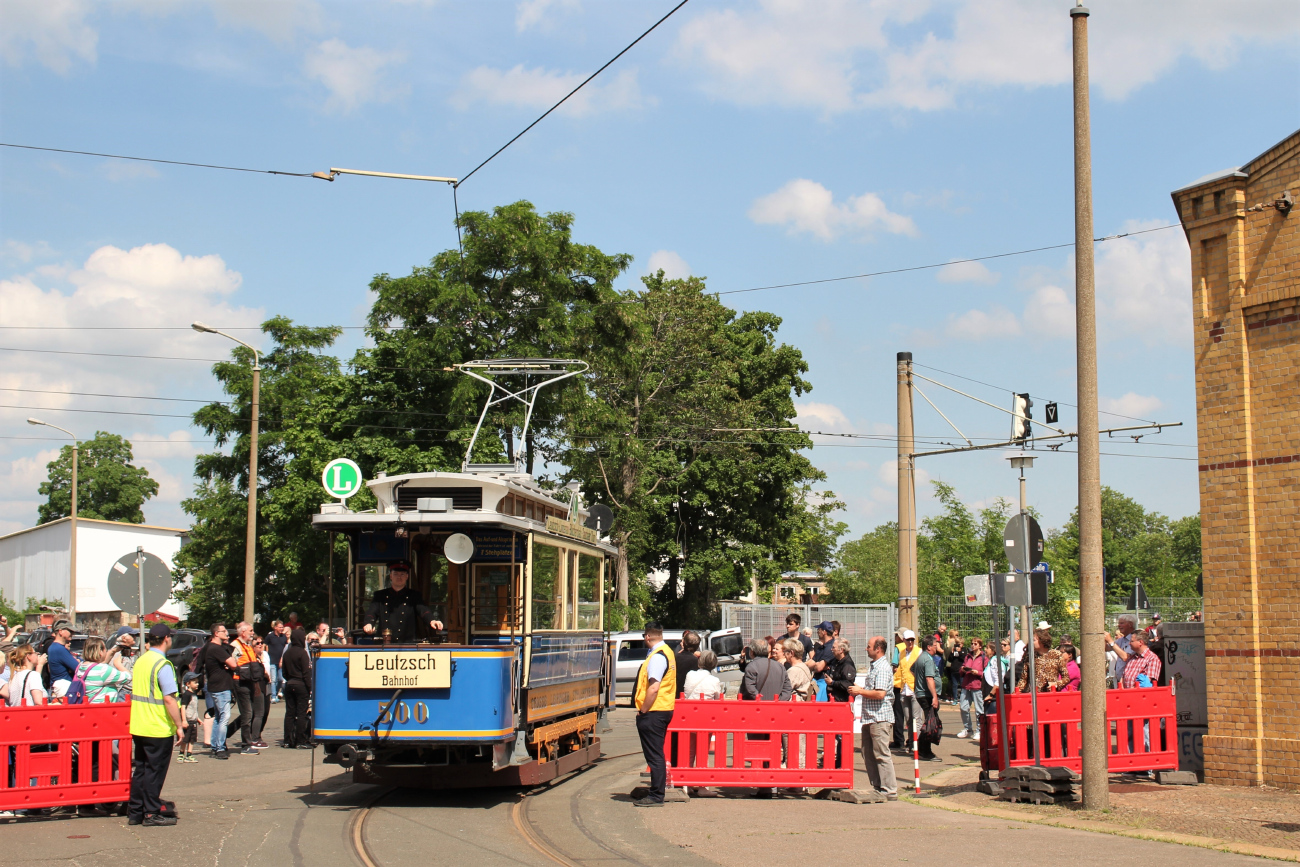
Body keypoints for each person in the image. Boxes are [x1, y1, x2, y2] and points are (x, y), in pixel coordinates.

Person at [127, 623, 185, 827]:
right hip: (158, 725)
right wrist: (179, 725)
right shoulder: (163, 664)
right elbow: (169, 699)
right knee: (154, 771)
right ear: (167, 639)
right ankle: (151, 812)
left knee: (141, 770)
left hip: (139, 723)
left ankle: (135, 812)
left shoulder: (142, 661)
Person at [633, 622, 675, 807]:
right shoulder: (667, 652)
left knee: (655, 755)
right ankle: (656, 793)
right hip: (663, 708)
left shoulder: (658, 657)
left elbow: (654, 687)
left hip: (654, 711)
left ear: (647, 637)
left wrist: (643, 710)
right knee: (656, 754)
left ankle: (656, 795)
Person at [849, 636, 897, 800]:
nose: (866, 649)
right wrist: (862, 689)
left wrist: (860, 692)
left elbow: (880, 693)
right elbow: (875, 690)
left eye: (868, 646)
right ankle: (878, 786)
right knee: (867, 752)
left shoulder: (882, 667)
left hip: (879, 718)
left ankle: (889, 789)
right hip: (870, 717)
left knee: (881, 753)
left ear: (878, 649)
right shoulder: (875, 666)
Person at [362, 560, 444, 642]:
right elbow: (371, 612)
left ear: (407, 576)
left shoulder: (414, 595)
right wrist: (368, 623)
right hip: (384, 642)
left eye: (402, 574)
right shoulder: (380, 595)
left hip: (407, 643)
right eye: (396, 574)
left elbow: (423, 610)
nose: (399, 577)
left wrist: (432, 620)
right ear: (391, 576)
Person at [229, 622, 267, 754]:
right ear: (243, 632)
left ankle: (247, 741)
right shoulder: (235, 646)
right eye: (250, 631)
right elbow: (231, 664)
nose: (252, 633)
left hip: (250, 683)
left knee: (249, 713)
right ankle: (246, 744)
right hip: (240, 683)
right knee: (247, 713)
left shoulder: (248, 646)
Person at [201, 624, 237, 759]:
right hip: (221, 686)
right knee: (224, 717)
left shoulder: (209, 647)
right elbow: (233, 664)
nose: (226, 634)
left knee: (218, 716)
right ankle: (220, 747)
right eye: (224, 632)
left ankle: (215, 745)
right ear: (216, 633)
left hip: (215, 686)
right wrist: (230, 664)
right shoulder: (216, 648)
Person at [73, 637, 132, 703]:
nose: (106, 651)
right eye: (105, 649)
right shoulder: (103, 670)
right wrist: (118, 664)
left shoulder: (81, 666)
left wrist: (113, 651)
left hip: (88, 706)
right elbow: (128, 678)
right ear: (100, 652)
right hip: (102, 708)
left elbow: (99, 666)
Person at [281, 626, 312, 748]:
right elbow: (306, 673)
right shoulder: (302, 653)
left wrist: (290, 680)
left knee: (289, 713)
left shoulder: (287, 653)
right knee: (301, 714)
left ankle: (287, 740)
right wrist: (310, 687)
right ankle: (301, 740)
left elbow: (283, 672)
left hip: (289, 684)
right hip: (301, 685)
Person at [1015, 628, 1070, 695]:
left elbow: (1066, 678)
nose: (1031, 643)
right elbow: (1023, 679)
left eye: (1034, 640)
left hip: (1050, 695)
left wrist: (1056, 684)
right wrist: (1016, 693)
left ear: (1042, 641)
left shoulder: (1056, 655)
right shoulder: (1030, 657)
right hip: (1033, 695)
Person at [892, 630, 922, 752]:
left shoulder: (919, 652)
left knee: (917, 719)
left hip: (915, 689)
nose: (910, 642)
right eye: (908, 640)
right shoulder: (901, 653)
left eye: (912, 640)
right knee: (908, 719)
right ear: (903, 640)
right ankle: (911, 743)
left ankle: (917, 745)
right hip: (904, 690)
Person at [912, 635, 940, 761]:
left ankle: (921, 748)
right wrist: (934, 696)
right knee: (930, 724)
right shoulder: (927, 659)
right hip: (926, 695)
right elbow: (929, 678)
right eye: (935, 645)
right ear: (929, 647)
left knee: (930, 722)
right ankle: (924, 751)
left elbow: (912, 669)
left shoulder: (921, 657)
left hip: (921, 693)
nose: (937, 648)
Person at [957, 637, 985, 740]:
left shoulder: (983, 657)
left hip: (977, 686)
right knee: (963, 707)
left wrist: (978, 673)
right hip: (966, 685)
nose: (973, 645)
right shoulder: (968, 656)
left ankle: (979, 730)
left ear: (980, 646)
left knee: (979, 709)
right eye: (972, 643)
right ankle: (968, 729)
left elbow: (986, 673)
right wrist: (963, 669)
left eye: (975, 644)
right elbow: (963, 667)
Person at [1102, 613, 1139, 685]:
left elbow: (1125, 657)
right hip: (1120, 680)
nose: (1119, 626)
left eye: (1122, 623)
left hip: (1131, 681)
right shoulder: (1121, 640)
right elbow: (1106, 648)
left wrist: (1110, 641)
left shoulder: (1135, 639)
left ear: (1130, 624)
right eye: (1119, 623)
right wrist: (1104, 639)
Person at [47, 620, 78, 699]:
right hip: (64, 687)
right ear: (60, 631)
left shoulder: (54, 647)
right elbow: (77, 667)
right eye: (69, 631)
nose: (72, 633)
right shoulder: (59, 649)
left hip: (61, 687)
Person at [178, 675, 202, 763]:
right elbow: (183, 707)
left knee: (192, 739)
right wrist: (184, 720)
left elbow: (194, 709)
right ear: (188, 684)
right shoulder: (186, 695)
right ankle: (181, 753)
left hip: (193, 721)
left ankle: (189, 754)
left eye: (197, 682)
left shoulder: (194, 695)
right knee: (185, 738)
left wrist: (198, 718)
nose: (197, 684)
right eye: (195, 682)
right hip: (187, 721)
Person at [265, 621, 287, 703]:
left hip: (281, 661)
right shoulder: (270, 636)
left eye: (282, 627)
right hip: (272, 661)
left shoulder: (283, 637)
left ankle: (277, 693)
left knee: (281, 679)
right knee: (273, 679)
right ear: (275, 627)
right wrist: (266, 655)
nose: (281, 629)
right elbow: (265, 645)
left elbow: (285, 647)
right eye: (280, 627)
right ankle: (273, 696)